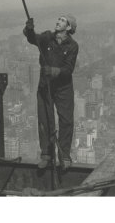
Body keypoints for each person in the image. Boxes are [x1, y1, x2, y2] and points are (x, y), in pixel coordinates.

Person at [23, 15, 79, 169]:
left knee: (66, 121)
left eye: (62, 20)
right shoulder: (48, 37)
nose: (57, 21)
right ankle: (46, 154)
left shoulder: (73, 46)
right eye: (58, 19)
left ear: (68, 27)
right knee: (44, 120)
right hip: (45, 85)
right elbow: (33, 39)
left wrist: (52, 71)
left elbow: (68, 70)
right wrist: (29, 29)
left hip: (63, 88)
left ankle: (64, 156)